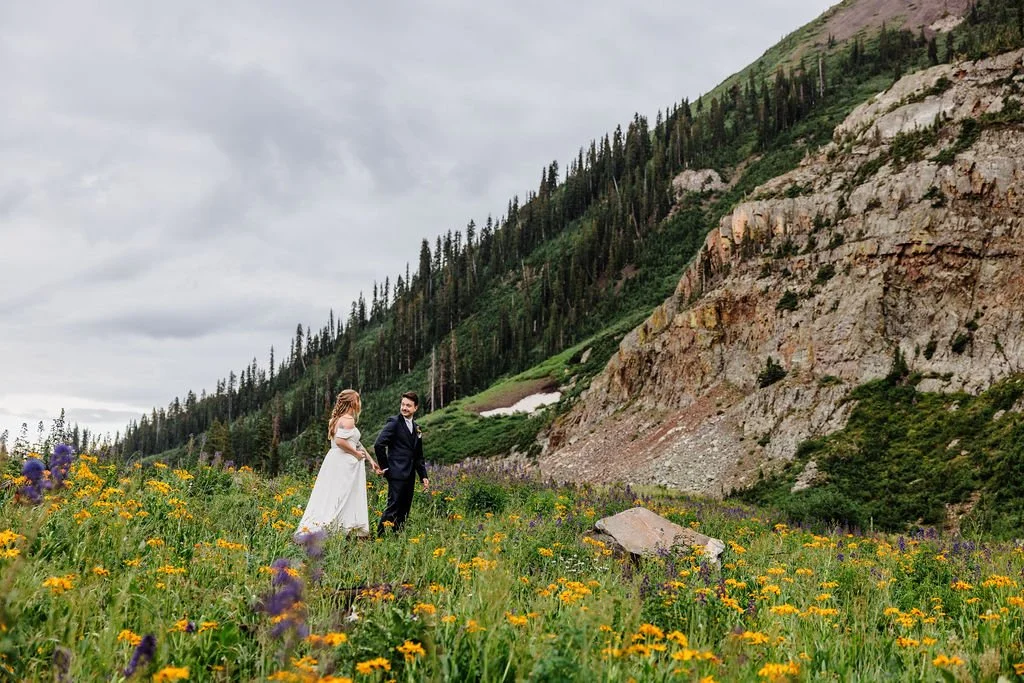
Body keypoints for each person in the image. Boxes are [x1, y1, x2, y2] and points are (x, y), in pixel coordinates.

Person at [295, 389, 382, 540]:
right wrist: (355, 454)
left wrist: (370, 460)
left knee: (331, 495)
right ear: (353, 402)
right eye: (358, 400)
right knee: (344, 495)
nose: (359, 403)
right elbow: (341, 441)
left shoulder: (336, 419)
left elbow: (356, 442)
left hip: (334, 460)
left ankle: (335, 527)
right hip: (344, 463)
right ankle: (338, 527)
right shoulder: (348, 420)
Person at [374, 391, 429, 534]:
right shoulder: (394, 423)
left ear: (415, 408)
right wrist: (385, 467)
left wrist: (423, 476)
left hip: (410, 475)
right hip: (396, 473)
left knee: (405, 509)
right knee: (393, 507)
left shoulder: (417, 428)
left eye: (408, 405)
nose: (404, 408)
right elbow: (379, 445)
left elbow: (418, 455)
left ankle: (396, 537)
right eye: (403, 404)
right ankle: (379, 538)